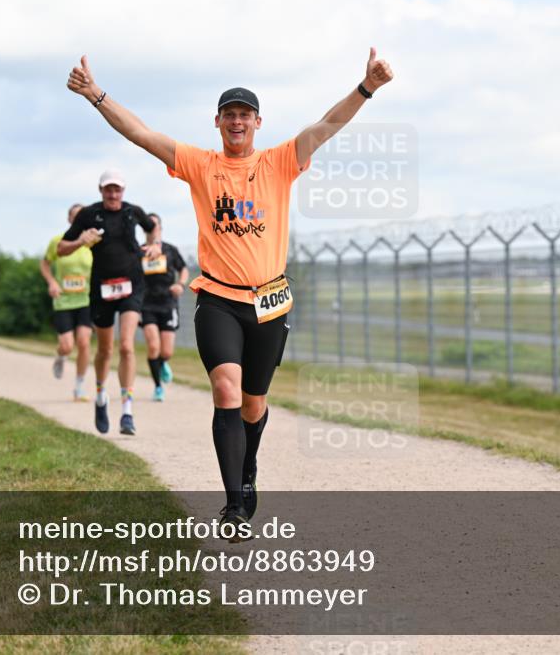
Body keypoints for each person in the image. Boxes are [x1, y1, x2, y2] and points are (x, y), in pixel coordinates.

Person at [67, 48, 394, 534]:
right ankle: (235, 505)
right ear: (217, 122)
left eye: (245, 115)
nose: (237, 122)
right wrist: (96, 94)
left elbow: (327, 125)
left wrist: (366, 87)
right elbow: (141, 134)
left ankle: (248, 468)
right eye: (229, 115)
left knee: (254, 404)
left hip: (267, 302)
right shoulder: (199, 164)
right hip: (218, 298)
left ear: (257, 122)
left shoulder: (282, 161)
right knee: (226, 389)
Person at [56, 172, 161, 435]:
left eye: (117, 190)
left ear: (123, 191)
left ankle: (127, 410)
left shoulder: (132, 212)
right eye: (108, 190)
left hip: (131, 285)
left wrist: (155, 245)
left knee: (126, 346)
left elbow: (151, 227)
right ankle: (101, 396)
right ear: (101, 191)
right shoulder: (89, 215)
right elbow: (61, 248)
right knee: (105, 350)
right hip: (102, 288)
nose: (113, 195)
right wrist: (81, 240)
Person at [41, 204, 94, 401]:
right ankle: (61, 357)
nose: (79, 219)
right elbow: (45, 263)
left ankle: (79, 387)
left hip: (86, 299)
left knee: (84, 342)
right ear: (69, 219)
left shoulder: (93, 242)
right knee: (67, 345)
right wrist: (52, 281)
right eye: (75, 216)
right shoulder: (58, 241)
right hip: (63, 300)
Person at [140, 213, 189, 402]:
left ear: (160, 228)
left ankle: (162, 363)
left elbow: (183, 269)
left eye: (154, 225)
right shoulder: (139, 251)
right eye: (148, 225)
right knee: (153, 347)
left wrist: (181, 284)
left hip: (168, 302)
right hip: (147, 304)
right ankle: (158, 387)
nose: (151, 229)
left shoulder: (170, 250)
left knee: (166, 351)